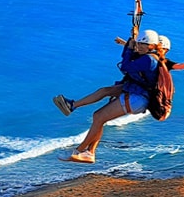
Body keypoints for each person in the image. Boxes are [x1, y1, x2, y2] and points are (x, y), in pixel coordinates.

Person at [54, 28, 165, 164]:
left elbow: (125, 67)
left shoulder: (148, 59)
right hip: (134, 91)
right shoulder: (147, 56)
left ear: (152, 46)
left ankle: (80, 151)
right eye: (139, 44)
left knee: (99, 117)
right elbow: (129, 59)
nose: (140, 47)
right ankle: (73, 106)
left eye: (144, 44)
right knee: (104, 92)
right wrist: (131, 40)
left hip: (137, 98)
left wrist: (130, 48)